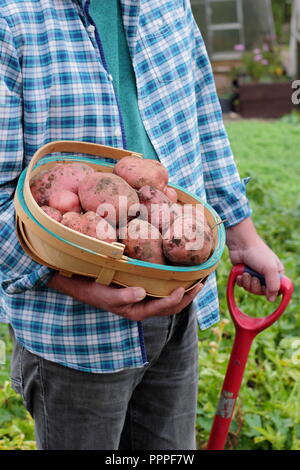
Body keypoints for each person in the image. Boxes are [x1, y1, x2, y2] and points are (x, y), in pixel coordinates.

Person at [0, 0, 284, 450]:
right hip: (74, 333)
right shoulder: (11, 16)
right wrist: (68, 279)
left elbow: (203, 118)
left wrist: (242, 235)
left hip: (176, 299)